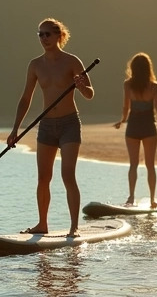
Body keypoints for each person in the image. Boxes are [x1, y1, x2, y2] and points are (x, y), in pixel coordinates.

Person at [7, 17, 95, 236]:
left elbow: (90, 94)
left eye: (47, 34)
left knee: (67, 175)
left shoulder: (72, 61)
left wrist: (81, 85)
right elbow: (25, 98)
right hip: (46, 126)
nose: (43, 38)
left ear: (59, 35)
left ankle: (74, 227)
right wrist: (15, 129)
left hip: (69, 125)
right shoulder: (35, 65)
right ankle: (42, 224)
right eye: (40, 34)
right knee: (43, 178)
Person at [113, 52, 157, 207]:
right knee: (150, 165)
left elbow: (126, 107)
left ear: (132, 68)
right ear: (148, 68)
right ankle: (152, 200)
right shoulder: (154, 86)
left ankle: (131, 197)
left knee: (133, 164)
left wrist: (122, 121)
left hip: (133, 126)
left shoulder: (127, 84)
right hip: (148, 127)